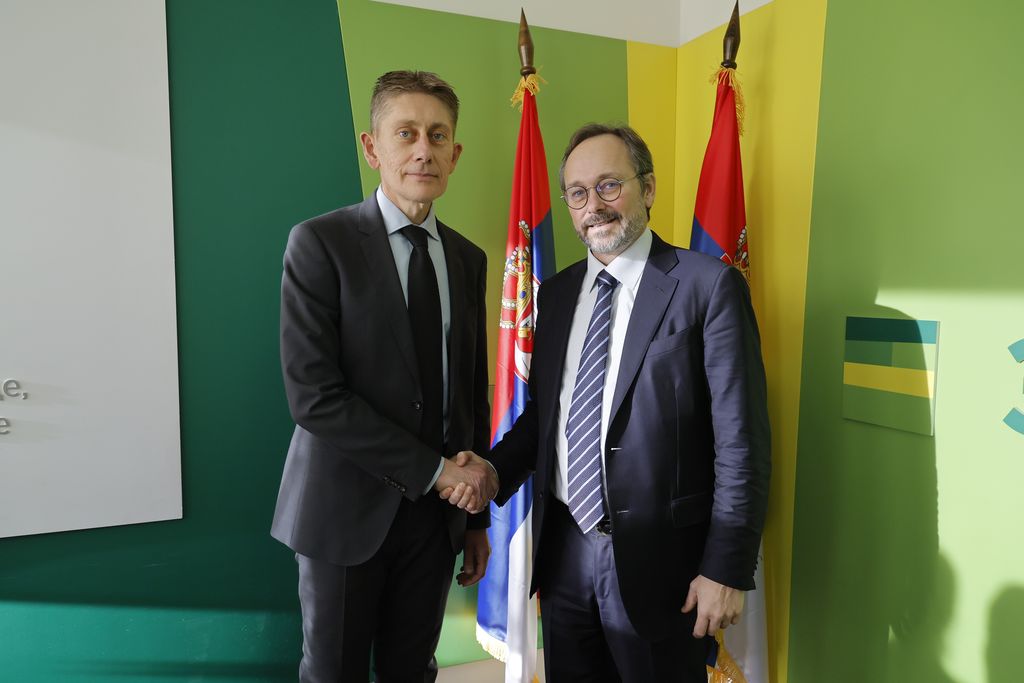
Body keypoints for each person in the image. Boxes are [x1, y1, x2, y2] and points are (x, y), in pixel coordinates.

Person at [448, 124, 771, 681]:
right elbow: (546, 418)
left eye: (609, 185)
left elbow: (741, 441)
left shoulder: (707, 286)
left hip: (665, 568)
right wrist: (492, 471)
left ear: (648, 188)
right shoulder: (556, 293)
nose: (593, 206)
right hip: (565, 554)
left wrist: (726, 567)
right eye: (577, 193)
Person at [271, 70, 496, 683]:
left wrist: (475, 519)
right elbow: (314, 397)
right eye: (406, 133)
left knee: (413, 671)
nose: (424, 149)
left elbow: (468, 396)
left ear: (455, 154)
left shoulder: (468, 259)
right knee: (334, 673)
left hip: (436, 521)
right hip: (342, 512)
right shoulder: (320, 243)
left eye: (438, 135)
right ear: (373, 148)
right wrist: (436, 472)